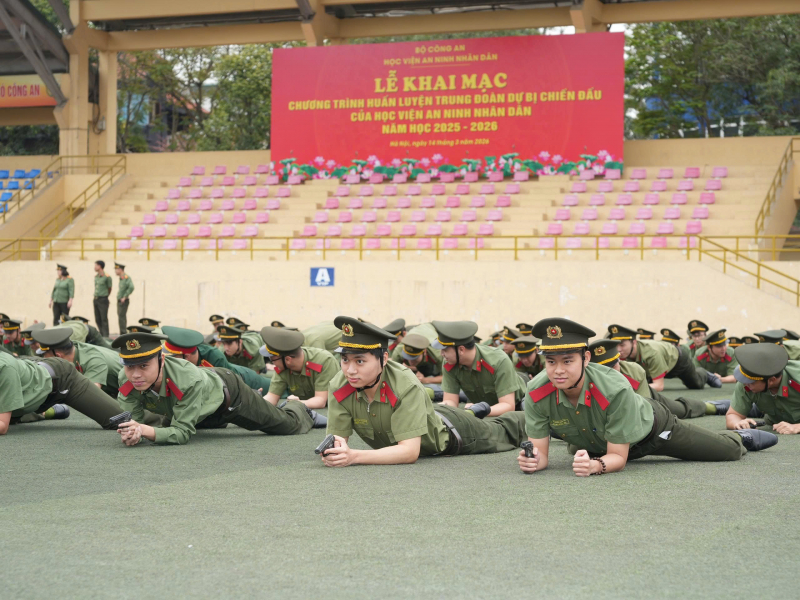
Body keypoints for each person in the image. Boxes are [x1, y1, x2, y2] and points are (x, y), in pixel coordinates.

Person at [517, 318, 777, 477]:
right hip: (602, 443)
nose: (558, 370)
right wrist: (533, 461)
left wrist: (596, 466)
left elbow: (618, 458)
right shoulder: (537, 393)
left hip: (652, 431)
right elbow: (540, 454)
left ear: (585, 358)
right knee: (581, 450)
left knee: (727, 452)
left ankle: (741, 437)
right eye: (550, 361)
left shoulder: (613, 388)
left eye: (567, 361)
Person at [321, 317, 528, 467]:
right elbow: (338, 438)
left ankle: (532, 415)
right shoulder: (339, 385)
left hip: (454, 432)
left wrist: (354, 456)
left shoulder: (404, 383)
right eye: (345, 360)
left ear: (383, 359)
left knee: (506, 429)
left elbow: (409, 452)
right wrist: (336, 451)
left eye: (360, 361)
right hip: (437, 412)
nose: (350, 370)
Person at [112, 332, 326, 446]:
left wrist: (145, 431)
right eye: (130, 366)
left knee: (284, 425)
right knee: (167, 425)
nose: (136, 374)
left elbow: (181, 434)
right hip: (202, 405)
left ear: (162, 359)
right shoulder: (126, 379)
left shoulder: (187, 380)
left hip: (230, 395)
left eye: (144, 366)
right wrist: (133, 433)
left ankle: (299, 408)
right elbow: (134, 420)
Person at [588, 339, 726, 419]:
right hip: (649, 376)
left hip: (677, 361)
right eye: (604, 368)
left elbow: (658, 388)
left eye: (614, 365)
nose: (610, 371)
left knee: (688, 394)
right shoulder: (584, 381)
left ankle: (712, 405)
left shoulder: (650, 354)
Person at [0, 351, 127, 435]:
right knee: (13, 410)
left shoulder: (5, 368)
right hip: (28, 393)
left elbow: (2, 426)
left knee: (122, 420)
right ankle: (51, 411)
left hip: (63, 381)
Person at [433, 320, 526, 418]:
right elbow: (451, 401)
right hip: (481, 411)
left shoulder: (498, 361)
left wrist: (476, 410)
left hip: (517, 409)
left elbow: (508, 406)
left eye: (445, 350)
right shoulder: (449, 363)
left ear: (461, 350)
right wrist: (439, 408)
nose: (441, 354)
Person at [160, 326, 272, 392]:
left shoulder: (213, 356)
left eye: (174, 357)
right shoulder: (185, 360)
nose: (171, 361)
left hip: (243, 379)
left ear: (187, 356)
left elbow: (228, 387)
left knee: (276, 388)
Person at [611, 324, 720, 391]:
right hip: (655, 365)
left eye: (622, 345)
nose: (619, 349)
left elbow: (659, 386)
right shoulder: (624, 354)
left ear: (634, 342)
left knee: (696, 384)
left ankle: (704, 373)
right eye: (616, 345)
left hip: (678, 361)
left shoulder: (651, 353)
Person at [726, 343, 800, 434]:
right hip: (772, 420)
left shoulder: (797, 379)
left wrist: (797, 426)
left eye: (751, 382)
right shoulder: (747, 382)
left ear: (771, 380)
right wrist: (738, 423)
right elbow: (733, 414)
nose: (745, 383)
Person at [259, 326, 338, 409]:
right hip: (307, 409)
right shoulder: (283, 368)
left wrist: (296, 403)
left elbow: (321, 401)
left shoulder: (324, 360)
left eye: (273, 360)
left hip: (332, 410)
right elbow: (272, 397)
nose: (273, 364)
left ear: (288, 359)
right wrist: (256, 402)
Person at [92, 260, 113, 338]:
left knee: (103, 318)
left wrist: (105, 296)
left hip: (103, 299)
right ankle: (101, 334)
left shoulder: (107, 277)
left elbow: (109, 288)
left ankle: (106, 336)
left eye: (96, 265)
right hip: (96, 299)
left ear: (100, 266)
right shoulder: (96, 277)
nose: (94, 267)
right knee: (97, 318)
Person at [115, 263, 134, 334]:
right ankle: (122, 333)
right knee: (121, 317)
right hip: (120, 300)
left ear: (120, 269)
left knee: (121, 318)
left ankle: (123, 333)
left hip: (123, 301)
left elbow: (131, 287)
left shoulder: (126, 278)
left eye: (116, 269)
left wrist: (125, 296)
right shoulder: (121, 278)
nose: (115, 271)